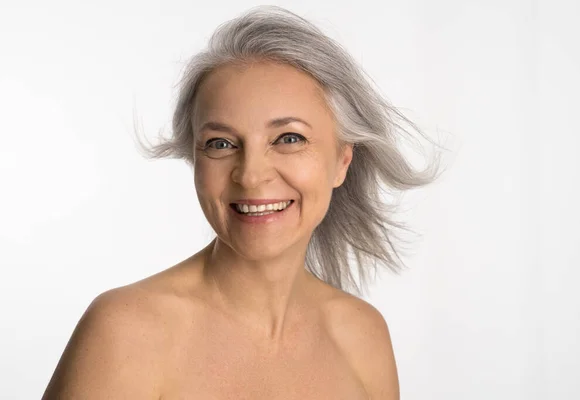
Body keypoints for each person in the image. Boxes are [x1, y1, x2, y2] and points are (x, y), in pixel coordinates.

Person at [42, 5, 444, 399]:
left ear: (342, 161)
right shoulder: (127, 331)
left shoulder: (363, 335)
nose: (251, 175)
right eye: (221, 144)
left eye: (289, 138)